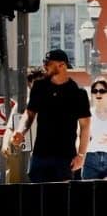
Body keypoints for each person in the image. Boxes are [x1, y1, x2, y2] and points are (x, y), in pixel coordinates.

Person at [9, 49, 91, 182]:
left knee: (63, 200)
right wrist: (20, 131)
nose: (44, 66)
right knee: (38, 200)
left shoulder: (78, 93)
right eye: (44, 62)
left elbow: (85, 127)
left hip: (65, 158)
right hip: (40, 156)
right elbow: (29, 114)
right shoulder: (39, 87)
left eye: (48, 63)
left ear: (62, 65)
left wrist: (81, 155)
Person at [1, 66, 45, 183]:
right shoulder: (22, 104)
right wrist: (5, 144)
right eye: (36, 83)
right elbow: (10, 127)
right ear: (30, 84)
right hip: (27, 158)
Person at [82, 75, 107, 180]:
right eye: (95, 90)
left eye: (102, 91)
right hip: (90, 160)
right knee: (88, 195)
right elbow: (78, 137)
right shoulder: (87, 115)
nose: (98, 93)